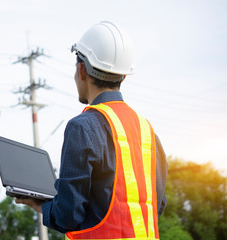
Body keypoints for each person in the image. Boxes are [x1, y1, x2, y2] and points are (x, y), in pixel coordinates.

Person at [16, 21, 168, 239]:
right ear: (123, 75)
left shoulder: (82, 127)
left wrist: (42, 205)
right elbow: (157, 205)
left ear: (81, 69)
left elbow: (68, 215)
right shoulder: (148, 131)